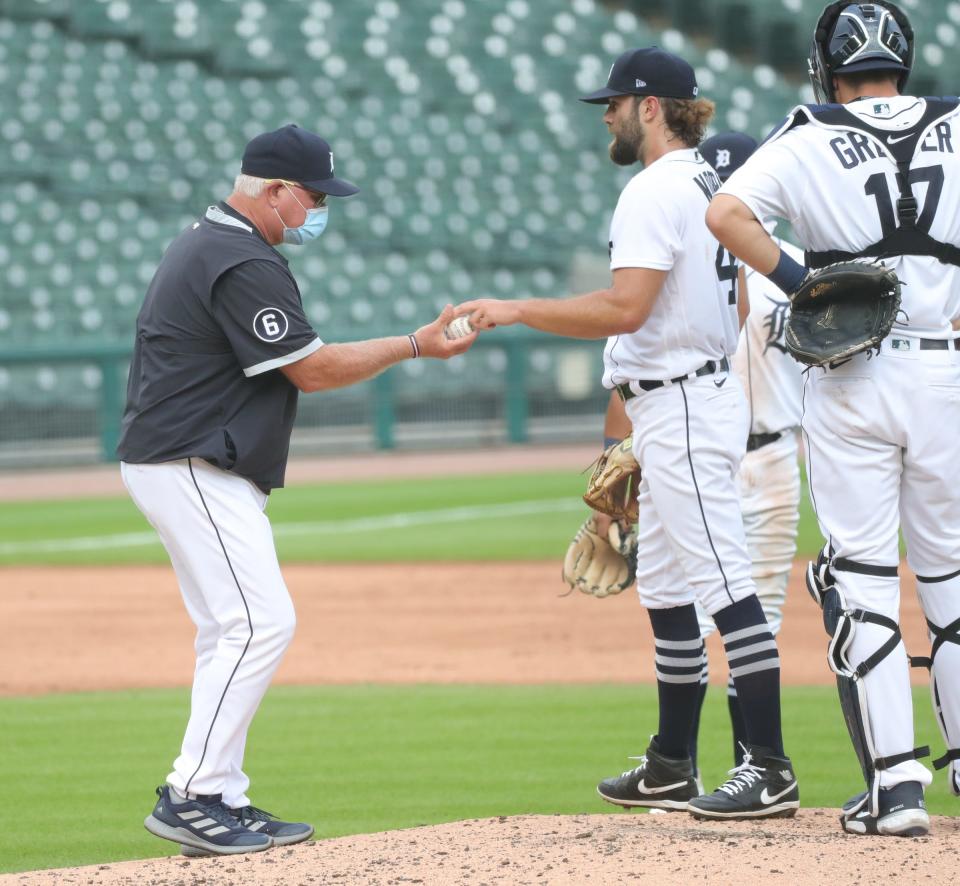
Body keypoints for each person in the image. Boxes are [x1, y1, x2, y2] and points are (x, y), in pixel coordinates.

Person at [457, 47, 799, 820]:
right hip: (680, 398)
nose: (606, 114)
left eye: (614, 102)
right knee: (671, 588)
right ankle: (672, 763)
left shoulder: (652, 188)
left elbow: (624, 309)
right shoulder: (710, 183)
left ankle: (770, 767)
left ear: (651, 107)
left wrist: (515, 309)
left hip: (681, 401)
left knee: (722, 583)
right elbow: (732, 299)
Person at [117, 123, 476, 857]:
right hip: (191, 459)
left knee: (231, 628)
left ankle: (219, 795)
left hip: (183, 457)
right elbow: (310, 369)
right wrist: (413, 343)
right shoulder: (237, 256)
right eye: (312, 195)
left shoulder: (215, 241)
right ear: (273, 191)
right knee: (259, 623)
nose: (318, 208)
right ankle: (191, 794)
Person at [707, 1, 960, 837]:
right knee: (953, 583)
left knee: (863, 580)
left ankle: (896, 790)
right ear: (905, 60)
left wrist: (799, 284)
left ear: (830, 65)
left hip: (854, 375)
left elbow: (726, 214)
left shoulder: (810, 132)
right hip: (943, 369)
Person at [693, 132, 805, 769]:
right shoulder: (690, 266)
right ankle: (681, 763)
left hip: (769, 456)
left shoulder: (795, 268)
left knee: (757, 619)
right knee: (695, 614)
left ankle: (752, 767)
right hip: (706, 457)